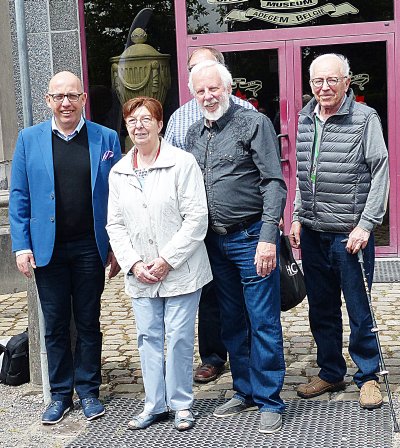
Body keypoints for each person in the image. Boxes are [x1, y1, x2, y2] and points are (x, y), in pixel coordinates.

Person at [9, 71, 122, 424]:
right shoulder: (29, 140)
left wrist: (118, 245)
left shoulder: (106, 139)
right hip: (48, 249)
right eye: (58, 96)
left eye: (72, 96)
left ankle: (88, 390)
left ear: (84, 99)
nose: (65, 103)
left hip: (91, 246)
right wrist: (20, 245)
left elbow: (120, 197)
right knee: (55, 324)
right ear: (47, 101)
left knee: (89, 321)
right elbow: (19, 196)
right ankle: (60, 394)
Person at [186, 60, 287, 434]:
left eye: (214, 88)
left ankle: (269, 399)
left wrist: (267, 238)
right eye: (201, 91)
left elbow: (274, 183)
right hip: (214, 243)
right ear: (194, 95)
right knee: (231, 320)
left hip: (250, 240)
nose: (208, 96)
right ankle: (243, 390)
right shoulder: (194, 134)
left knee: (262, 320)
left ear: (228, 88)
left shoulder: (254, 123)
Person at [289, 53, 389, 409]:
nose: (324, 87)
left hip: (351, 235)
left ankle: (368, 376)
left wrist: (366, 224)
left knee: (360, 309)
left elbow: (381, 173)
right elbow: (304, 175)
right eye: (318, 81)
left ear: (347, 82)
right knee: (321, 308)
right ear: (310, 84)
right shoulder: (305, 118)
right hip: (314, 233)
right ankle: (330, 372)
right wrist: (297, 215)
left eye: (332, 80)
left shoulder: (364, 119)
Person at [106, 97, 212, 431]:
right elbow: (115, 225)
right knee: (148, 337)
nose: (139, 126)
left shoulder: (182, 163)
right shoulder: (119, 171)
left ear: (160, 123)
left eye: (145, 119)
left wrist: (167, 260)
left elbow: (197, 218)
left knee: (179, 337)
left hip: (181, 269)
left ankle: (181, 404)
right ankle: (154, 404)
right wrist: (134, 264)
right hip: (141, 273)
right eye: (132, 120)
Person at [165, 46, 256, 384]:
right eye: (194, 71)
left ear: (224, 76)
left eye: (209, 70)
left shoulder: (246, 112)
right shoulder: (180, 120)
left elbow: (265, 173)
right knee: (211, 292)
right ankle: (214, 356)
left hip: (241, 226)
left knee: (246, 296)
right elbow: (170, 170)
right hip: (200, 225)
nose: (206, 90)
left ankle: (249, 359)